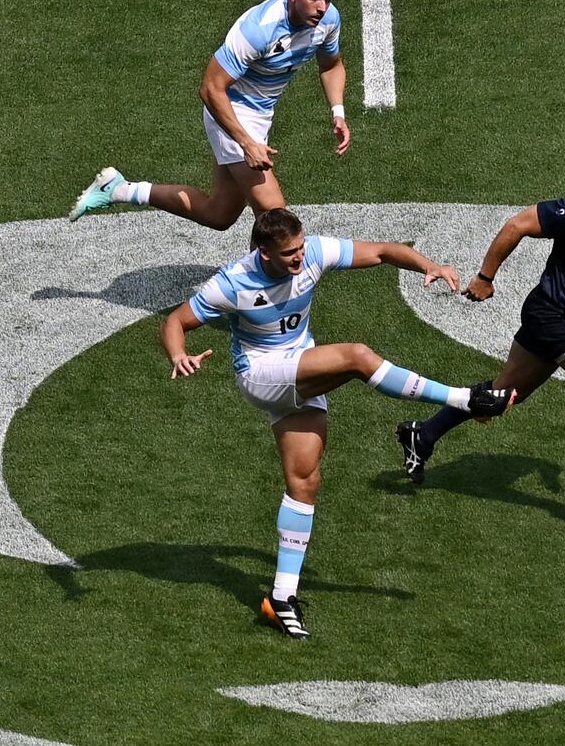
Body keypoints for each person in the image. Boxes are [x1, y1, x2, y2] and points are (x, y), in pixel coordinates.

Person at [166, 205, 506, 641]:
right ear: (263, 253)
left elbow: (382, 251)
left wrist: (430, 265)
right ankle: (464, 398)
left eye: (301, 246)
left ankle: (280, 598)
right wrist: (179, 354)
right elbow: (177, 321)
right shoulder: (233, 283)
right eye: (289, 252)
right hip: (261, 374)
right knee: (357, 357)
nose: (299, 257)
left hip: (301, 369)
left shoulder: (314, 253)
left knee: (304, 481)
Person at [403, 139, 565, 531]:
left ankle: (422, 434)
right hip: (551, 317)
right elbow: (518, 224)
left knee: (502, 397)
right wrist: (486, 277)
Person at [72, 0, 349, 233]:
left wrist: (338, 112)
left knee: (219, 214)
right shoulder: (259, 30)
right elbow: (210, 89)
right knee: (275, 215)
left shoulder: (327, 20)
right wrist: (246, 143)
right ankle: (259, 281)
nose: (322, 7)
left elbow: (331, 65)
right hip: (231, 110)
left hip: (261, 112)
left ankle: (120, 189)